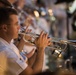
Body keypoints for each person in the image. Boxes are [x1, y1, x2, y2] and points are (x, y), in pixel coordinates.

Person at [0, 7, 51, 75]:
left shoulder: (8, 44)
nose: (19, 27)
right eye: (16, 24)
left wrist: (38, 48)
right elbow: (34, 74)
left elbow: (28, 64)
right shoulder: (5, 52)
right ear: (5, 28)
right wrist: (41, 48)